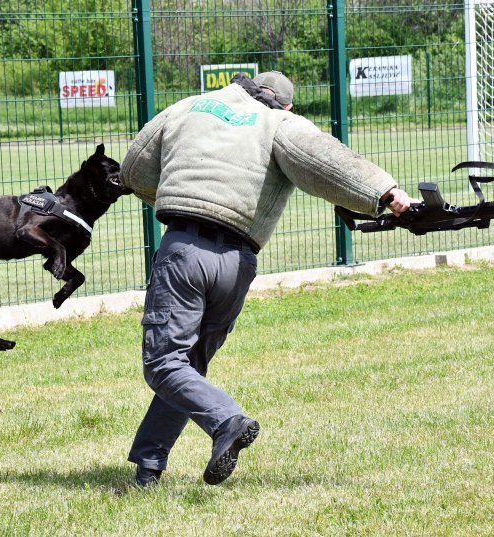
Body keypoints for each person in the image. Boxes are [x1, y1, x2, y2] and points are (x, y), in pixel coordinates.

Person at [120, 71, 414, 487]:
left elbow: (135, 168)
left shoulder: (188, 106)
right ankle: (147, 470)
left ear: (244, 86)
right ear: (288, 105)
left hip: (185, 250)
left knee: (165, 363)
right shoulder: (279, 124)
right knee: (188, 366)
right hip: (238, 264)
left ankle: (226, 422)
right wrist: (386, 193)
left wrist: (179, 192)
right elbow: (327, 162)